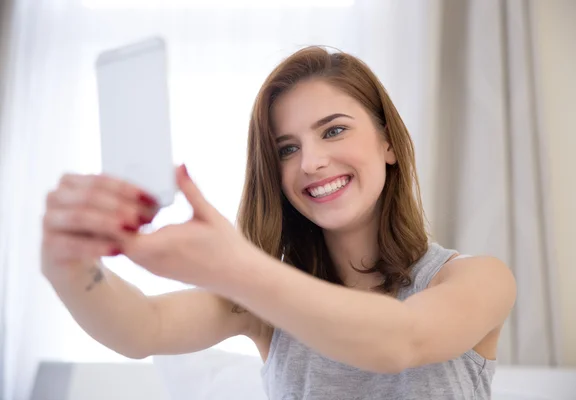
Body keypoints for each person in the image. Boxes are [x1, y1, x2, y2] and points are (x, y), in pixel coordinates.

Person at [41, 46, 516, 399]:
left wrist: (237, 267)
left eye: (334, 130)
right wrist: (69, 265)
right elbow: (143, 327)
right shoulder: (264, 301)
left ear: (388, 143)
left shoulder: (477, 279)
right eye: (287, 148)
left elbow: (401, 341)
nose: (310, 162)